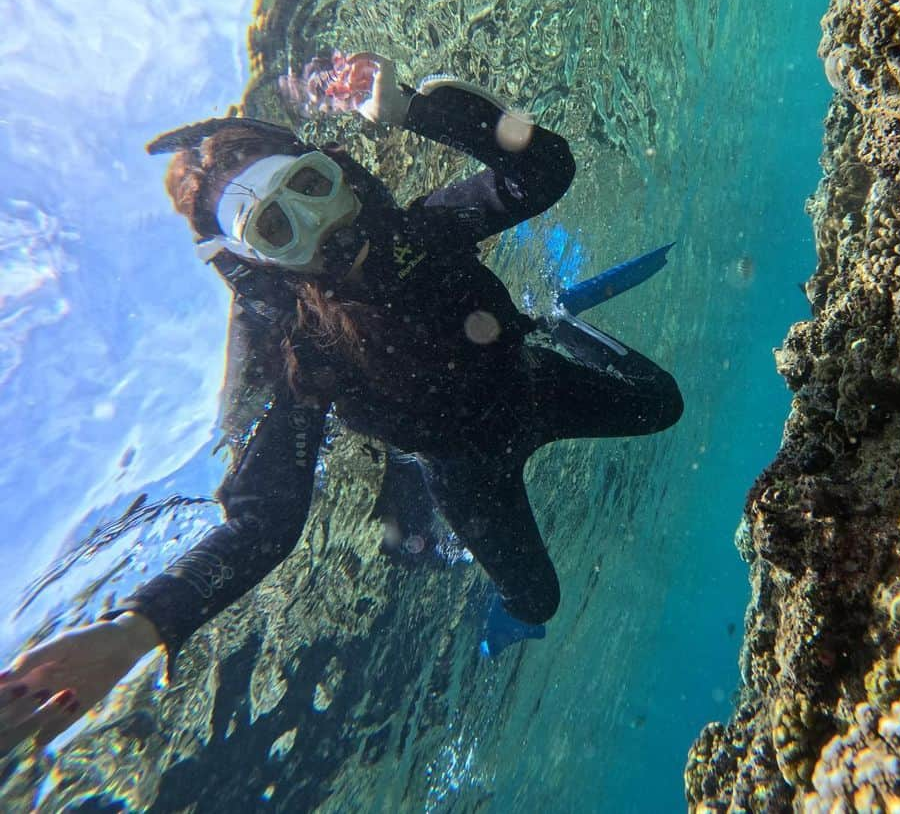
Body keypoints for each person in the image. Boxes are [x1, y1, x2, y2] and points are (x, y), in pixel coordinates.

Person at [0, 54, 682, 754]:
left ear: (333, 171)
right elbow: (268, 520)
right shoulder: (303, 356)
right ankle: (472, 444)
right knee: (536, 603)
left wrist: (416, 110)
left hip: (531, 379)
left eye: (310, 187)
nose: (320, 226)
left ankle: (559, 323)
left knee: (664, 405)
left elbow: (544, 170)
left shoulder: (420, 232)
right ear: (256, 261)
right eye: (276, 226)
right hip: (464, 467)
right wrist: (134, 630)